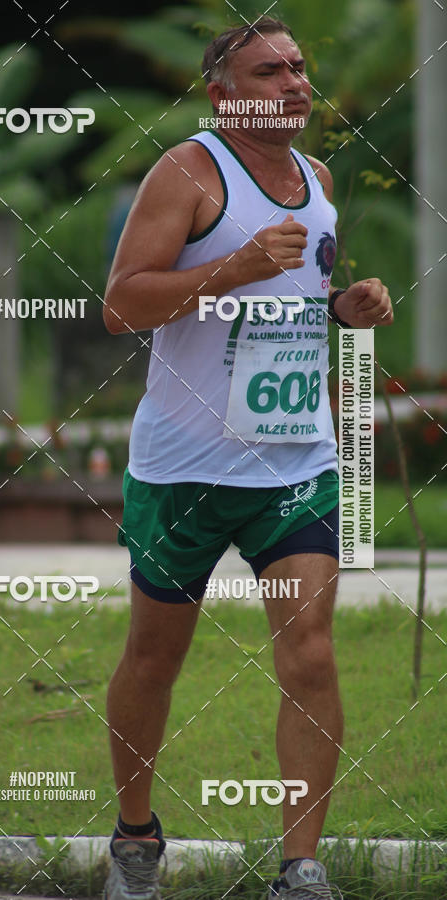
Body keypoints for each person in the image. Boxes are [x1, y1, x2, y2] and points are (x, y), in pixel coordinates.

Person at [101, 16, 393, 900]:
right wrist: (228, 267)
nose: (295, 84)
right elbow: (122, 305)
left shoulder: (319, 177)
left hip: (295, 459)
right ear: (224, 94)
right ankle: (135, 839)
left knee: (310, 655)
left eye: (300, 68)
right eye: (270, 73)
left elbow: (294, 299)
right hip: (185, 467)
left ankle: (300, 867)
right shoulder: (188, 172)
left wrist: (346, 308)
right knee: (155, 661)